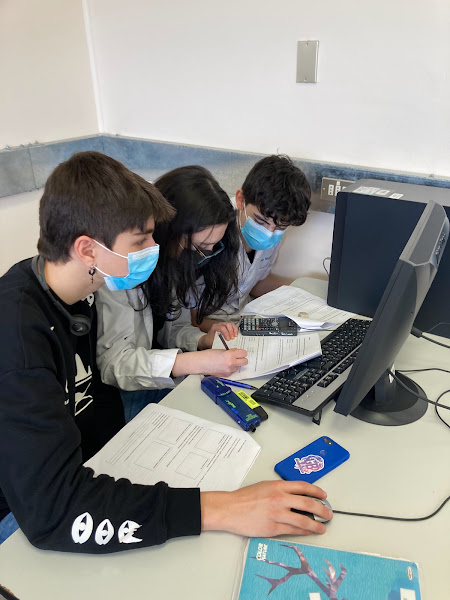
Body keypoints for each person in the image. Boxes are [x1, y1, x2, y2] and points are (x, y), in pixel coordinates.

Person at [0, 151, 332, 550]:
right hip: (21, 518)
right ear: (88, 250)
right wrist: (224, 508)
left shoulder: (79, 292)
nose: (155, 248)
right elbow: (53, 511)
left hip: (96, 460)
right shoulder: (19, 336)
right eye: (142, 240)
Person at [96, 165, 246, 422]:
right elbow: (115, 364)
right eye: (200, 247)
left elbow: (171, 328)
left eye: (213, 247)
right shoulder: (121, 271)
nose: (204, 256)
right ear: (169, 230)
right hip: (122, 395)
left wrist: (202, 340)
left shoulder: (173, 263)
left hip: (158, 379)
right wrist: (194, 362)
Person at [194, 154, 312, 331]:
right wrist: (230, 332)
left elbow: (253, 282)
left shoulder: (273, 234)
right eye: (261, 221)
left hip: (242, 319)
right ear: (241, 200)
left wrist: (296, 294)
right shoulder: (212, 236)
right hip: (208, 328)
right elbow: (191, 319)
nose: (269, 232)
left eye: (281, 226)